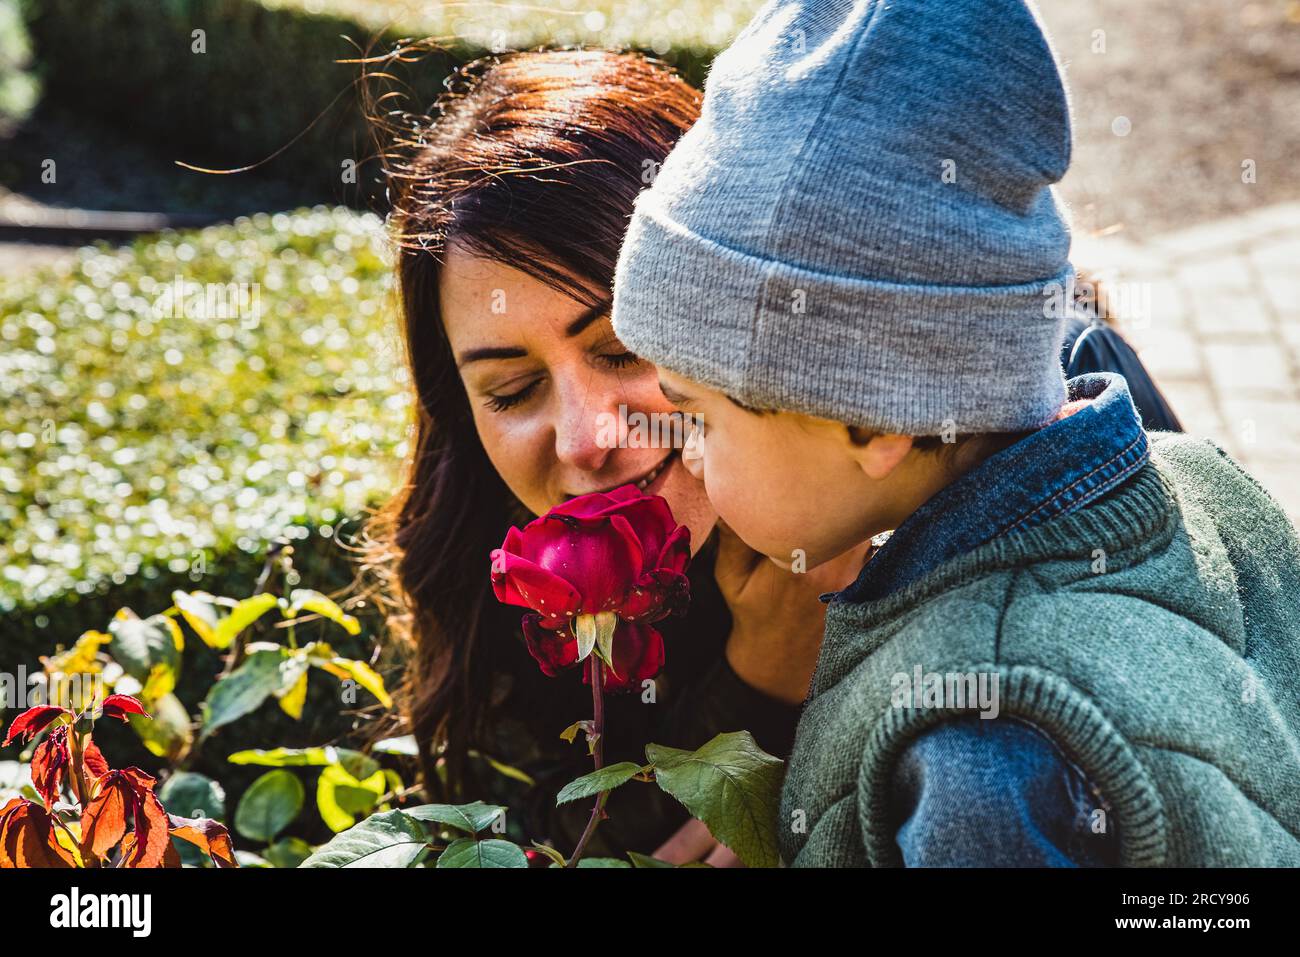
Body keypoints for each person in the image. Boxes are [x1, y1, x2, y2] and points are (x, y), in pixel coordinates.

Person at [367, 44, 1183, 864]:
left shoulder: (1046, 420)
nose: (587, 439)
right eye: (511, 390)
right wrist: (759, 685)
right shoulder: (495, 557)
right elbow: (534, 822)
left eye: (621, 348)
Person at [610, 0, 1300, 865]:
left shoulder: (978, 746)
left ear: (870, 419)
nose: (689, 454)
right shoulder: (1209, 487)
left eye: (701, 414)